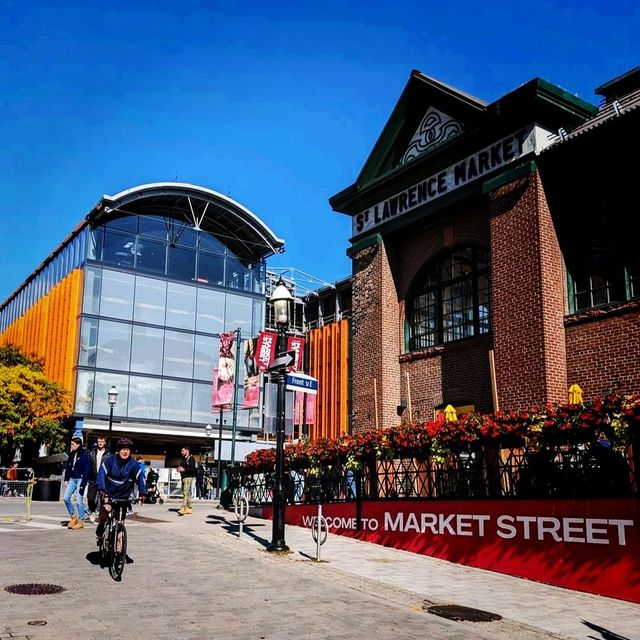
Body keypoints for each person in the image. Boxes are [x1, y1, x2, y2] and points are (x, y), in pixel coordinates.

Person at [95, 438, 147, 541]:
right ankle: (101, 526)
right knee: (106, 509)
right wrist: (101, 489)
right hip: (108, 493)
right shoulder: (110, 460)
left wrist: (142, 493)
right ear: (118, 450)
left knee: (121, 524)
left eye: (127, 449)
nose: (125, 452)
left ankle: (119, 552)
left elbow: (140, 478)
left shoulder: (133, 464)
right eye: (123, 449)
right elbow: (101, 473)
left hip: (124, 496)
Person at [63, 437, 90, 530]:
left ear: (78, 444)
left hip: (80, 479)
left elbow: (87, 470)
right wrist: (66, 479)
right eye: (71, 444)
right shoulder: (71, 454)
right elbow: (68, 467)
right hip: (72, 479)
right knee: (66, 498)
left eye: (73, 444)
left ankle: (81, 520)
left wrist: (83, 483)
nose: (72, 446)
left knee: (79, 500)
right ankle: (73, 516)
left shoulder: (84, 455)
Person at [87, 435, 110, 523]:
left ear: (105, 442)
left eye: (102, 441)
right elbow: (89, 465)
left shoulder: (108, 454)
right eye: (98, 441)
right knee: (90, 497)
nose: (100, 443)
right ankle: (92, 511)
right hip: (93, 477)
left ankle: (102, 515)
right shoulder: (92, 452)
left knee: (103, 499)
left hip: (103, 479)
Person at [176, 445, 197, 515]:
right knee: (186, 493)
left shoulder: (191, 458)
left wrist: (184, 470)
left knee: (185, 492)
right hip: (183, 477)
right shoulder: (182, 458)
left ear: (187, 451)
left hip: (188, 477)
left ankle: (183, 508)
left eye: (183, 451)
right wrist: (179, 469)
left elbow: (192, 468)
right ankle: (189, 508)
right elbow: (182, 467)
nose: (181, 452)